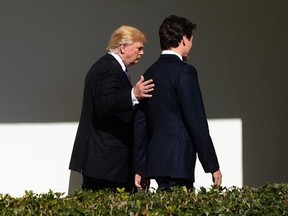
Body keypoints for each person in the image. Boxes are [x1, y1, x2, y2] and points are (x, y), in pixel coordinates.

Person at [134, 15, 222, 191]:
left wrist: (140, 167)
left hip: (156, 163)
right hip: (179, 162)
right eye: (191, 40)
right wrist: (212, 165)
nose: (191, 45)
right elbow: (196, 121)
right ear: (183, 39)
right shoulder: (185, 72)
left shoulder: (149, 73)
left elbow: (141, 124)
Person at [69, 25, 154, 192]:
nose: (142, 53)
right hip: (106, 165)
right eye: (139, 48)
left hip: (104, 163)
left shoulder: (108, 66)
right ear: (123, 47)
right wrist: (133, 95)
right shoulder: (109, 68)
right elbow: (103, 104)